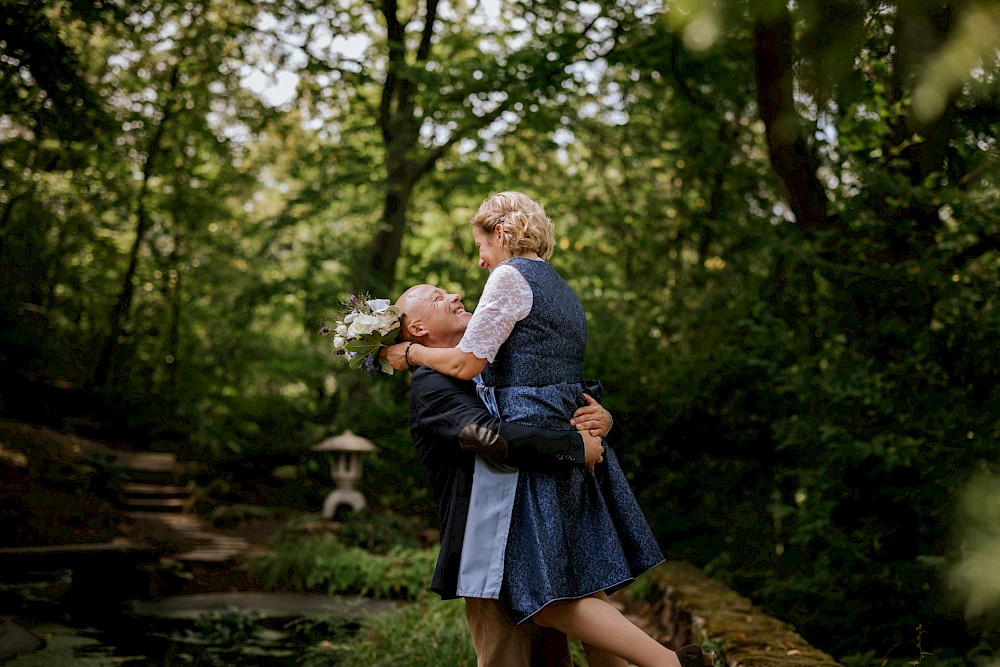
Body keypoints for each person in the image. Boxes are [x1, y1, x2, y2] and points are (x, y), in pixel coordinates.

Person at [384, 192, 714, 667]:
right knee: (570, 591)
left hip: (536, 463)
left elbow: (475, 364)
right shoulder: (554, 288)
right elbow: (511, 402)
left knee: (555, 598)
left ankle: (671, 665)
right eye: (440, 297)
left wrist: (407, 353)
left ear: (501, 233)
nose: (477, 267)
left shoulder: (506, 284)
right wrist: (583, 430)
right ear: (416, 327)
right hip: (526, 475)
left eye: (481, 246)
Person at [400, 282, 610, 666]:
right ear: (417, 330)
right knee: (506, 658)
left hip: (535, 531)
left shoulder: (492, 362)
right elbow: (486, 437)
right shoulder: (431, 383)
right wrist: (573, 447)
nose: (455, 296)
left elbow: (546, 404)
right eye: (437, 298)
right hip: (487, 546)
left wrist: (602, 419)